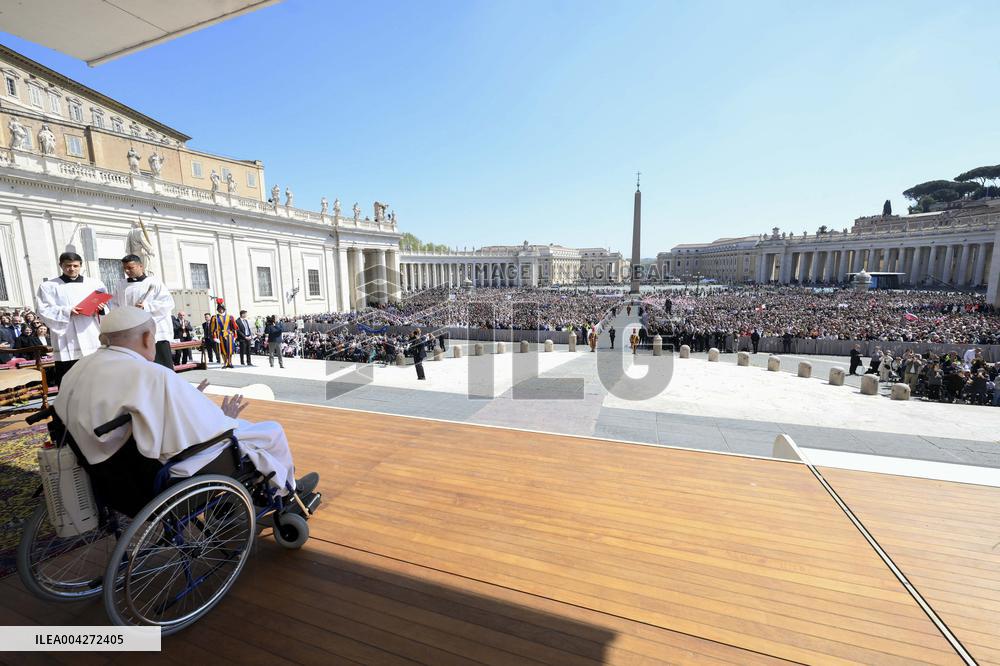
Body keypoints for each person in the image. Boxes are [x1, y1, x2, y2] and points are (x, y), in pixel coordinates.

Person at [53, 308, 317, 498]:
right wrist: (224, 415)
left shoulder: (78, 368)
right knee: (271, 431)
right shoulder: (153, 374)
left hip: (109, 472)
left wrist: (191, 399)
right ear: (147, 338)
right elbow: (205, 429)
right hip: (164, 469)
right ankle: (287, 490)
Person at [36, 252, 108, 387]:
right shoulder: (49, 286)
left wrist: (101, 308)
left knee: (95, 371)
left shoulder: (95, 283)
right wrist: (67, 311)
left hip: (90, 331)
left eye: (75, 265)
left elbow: (105, 307)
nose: (72, 269)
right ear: (61, 265)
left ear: (81, 265)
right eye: (68, 266)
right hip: (66, 334)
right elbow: (43, 309)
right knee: (70, 374)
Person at [111, 254, 175, 369]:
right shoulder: (121, 285)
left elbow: (167, 303)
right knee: (141, 368)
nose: (127, 271)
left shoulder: (154, 282)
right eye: (125, 268)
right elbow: (114, 305)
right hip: (133, 331)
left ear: (140, 266)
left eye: (130, 268)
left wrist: (146, 307)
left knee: (162, 366)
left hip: (155, 331)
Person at [210, 304, 238, 369]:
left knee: (230, 349)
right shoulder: (215, 317)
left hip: (229, 335)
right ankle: (225, 362)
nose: (221, 310)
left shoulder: (230, 317)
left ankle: (230, 362)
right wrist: (214, 337)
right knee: (223, 350)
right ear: (218, 309)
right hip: (220, 335)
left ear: (224, 309)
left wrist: (235, 335)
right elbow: (212, 329)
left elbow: (234, 327)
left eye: (222, 308)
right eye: (219, 309)